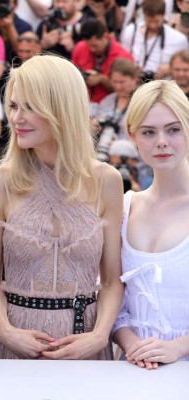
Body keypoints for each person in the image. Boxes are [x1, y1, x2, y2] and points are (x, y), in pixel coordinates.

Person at [0, 54, 124, 360]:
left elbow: (111, 280)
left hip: (85, 346)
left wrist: (98, 337)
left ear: (61, 110)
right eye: (14, 106)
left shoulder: (106, 181)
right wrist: (6, 331)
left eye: (29, 107)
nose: (16, 118)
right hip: (16, 345)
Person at [112, 80, 189, 369]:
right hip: (134, 372)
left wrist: (176, 348)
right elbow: (111, 297)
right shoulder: (124, 207)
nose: (161, 141)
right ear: (133, 136)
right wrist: (133, 345)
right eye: (148, 132)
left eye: (173, 129)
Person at [120, 0, 188, 80]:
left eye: (156, 21)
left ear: (164, 15)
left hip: (164, 87)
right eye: (149, 21)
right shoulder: (131, 32)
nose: (153, 25)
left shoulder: (179, 39)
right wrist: (131, 67)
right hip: (135, 85)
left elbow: (186, 64)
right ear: (144, 15)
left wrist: (170, 68)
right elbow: (122, 61)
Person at [71, 18, 133, 104]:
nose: (92, 49)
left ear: (104, 37)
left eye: (95, 45)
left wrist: (102, 79)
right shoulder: (80, 47)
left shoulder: (122, 56)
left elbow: (126, 90)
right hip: (80, 101)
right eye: (88, 45)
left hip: (109, 106)